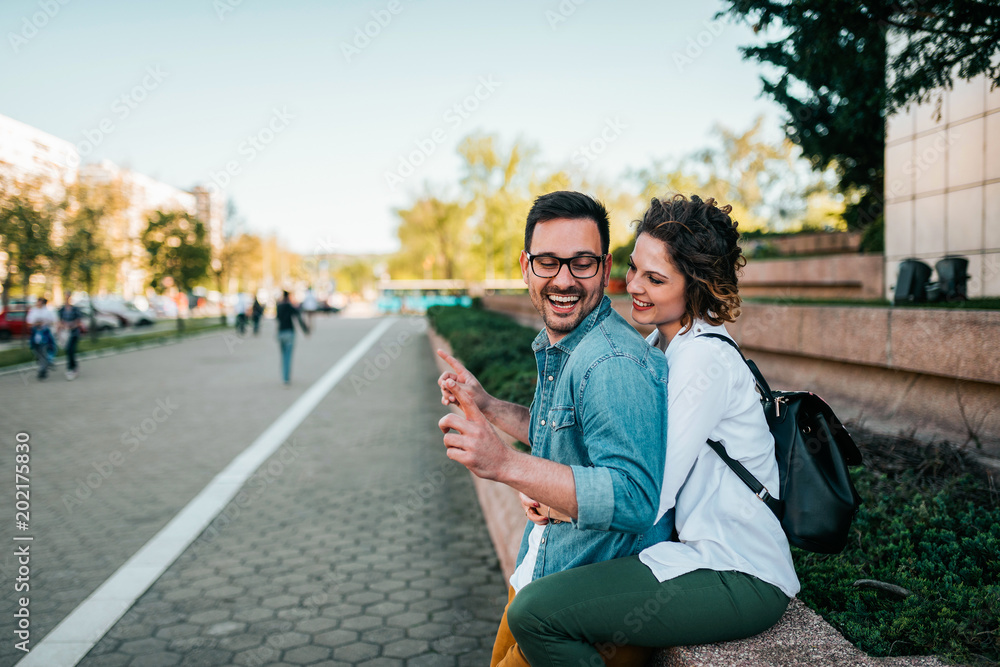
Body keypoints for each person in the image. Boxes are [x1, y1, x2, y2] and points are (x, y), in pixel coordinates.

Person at [505, 194, 800, 665]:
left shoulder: (703, 359)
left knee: (537, 613)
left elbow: (649, 492)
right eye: (634, 268)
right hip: (687, 552)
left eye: (656, 279)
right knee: (535, 606)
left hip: (738, 571)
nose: (635, 287)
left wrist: (553, 501)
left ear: (696, 285)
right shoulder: (657, 343)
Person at [436, 191, 669, 667]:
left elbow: (633, 497)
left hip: (577, 608)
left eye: (581, 263)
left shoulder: (611, 362)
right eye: (547, 262)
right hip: (540, 568)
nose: (563, 279)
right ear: (525, 267)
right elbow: (560, 436)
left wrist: (505, 464)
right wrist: (488, 404)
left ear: (605, 270)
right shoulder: (568, 345)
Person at [276, 290, 309, 385]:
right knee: (288, 356)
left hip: (281, 333)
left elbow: (277, 319)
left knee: (283, 356)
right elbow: (298, 318)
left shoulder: (279, 306)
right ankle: (286, 378)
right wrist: (305, 330)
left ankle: (283, 376)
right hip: (289, 333)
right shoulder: (290, 306)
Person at [26, 296, 57, 380]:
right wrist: (36, 324)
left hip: (44, 334)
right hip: (35, 334)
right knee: (37, 351)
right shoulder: (33, 311)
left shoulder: (47, 311)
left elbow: (52, 321)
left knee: (43, 351)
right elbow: (29, 322)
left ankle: (42, 370)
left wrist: (44, 323)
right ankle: (45, 365)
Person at [57, 293, 83, 380]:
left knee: (71, 350)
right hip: (65, 333)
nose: (67, 299)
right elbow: (60, 321)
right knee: (68, 351)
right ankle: (74, 367)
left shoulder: (75, 309)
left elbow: (79, 322)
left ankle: (70, 369)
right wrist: (60, 330)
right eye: (65, 297)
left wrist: (71, 325)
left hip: (74, 333)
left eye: (68, 297)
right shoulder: (61, 309)